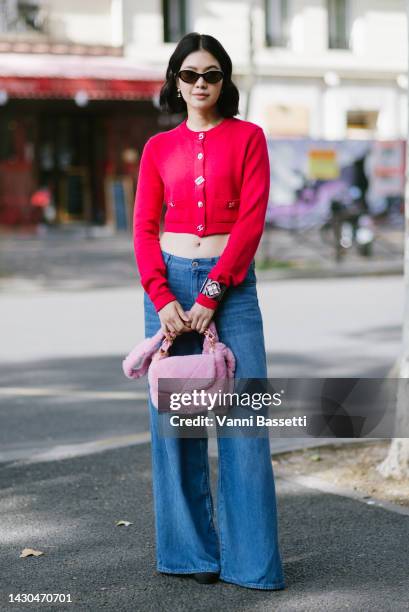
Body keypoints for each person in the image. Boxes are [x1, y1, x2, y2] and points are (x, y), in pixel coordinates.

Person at [133, 32, 286, 591]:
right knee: (175, 423)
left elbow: (250, 219)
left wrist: (213, 292)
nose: (202, 84)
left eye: (212, 74)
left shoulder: (249, 138)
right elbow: (145, 228)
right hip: (169, 289)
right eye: (191, 74)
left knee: (244, 421)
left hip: (231, 287)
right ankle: (189, 555)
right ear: (176, 82)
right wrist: (163, 297)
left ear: (225, 81)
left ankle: (252, 564)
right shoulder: (157, 149)